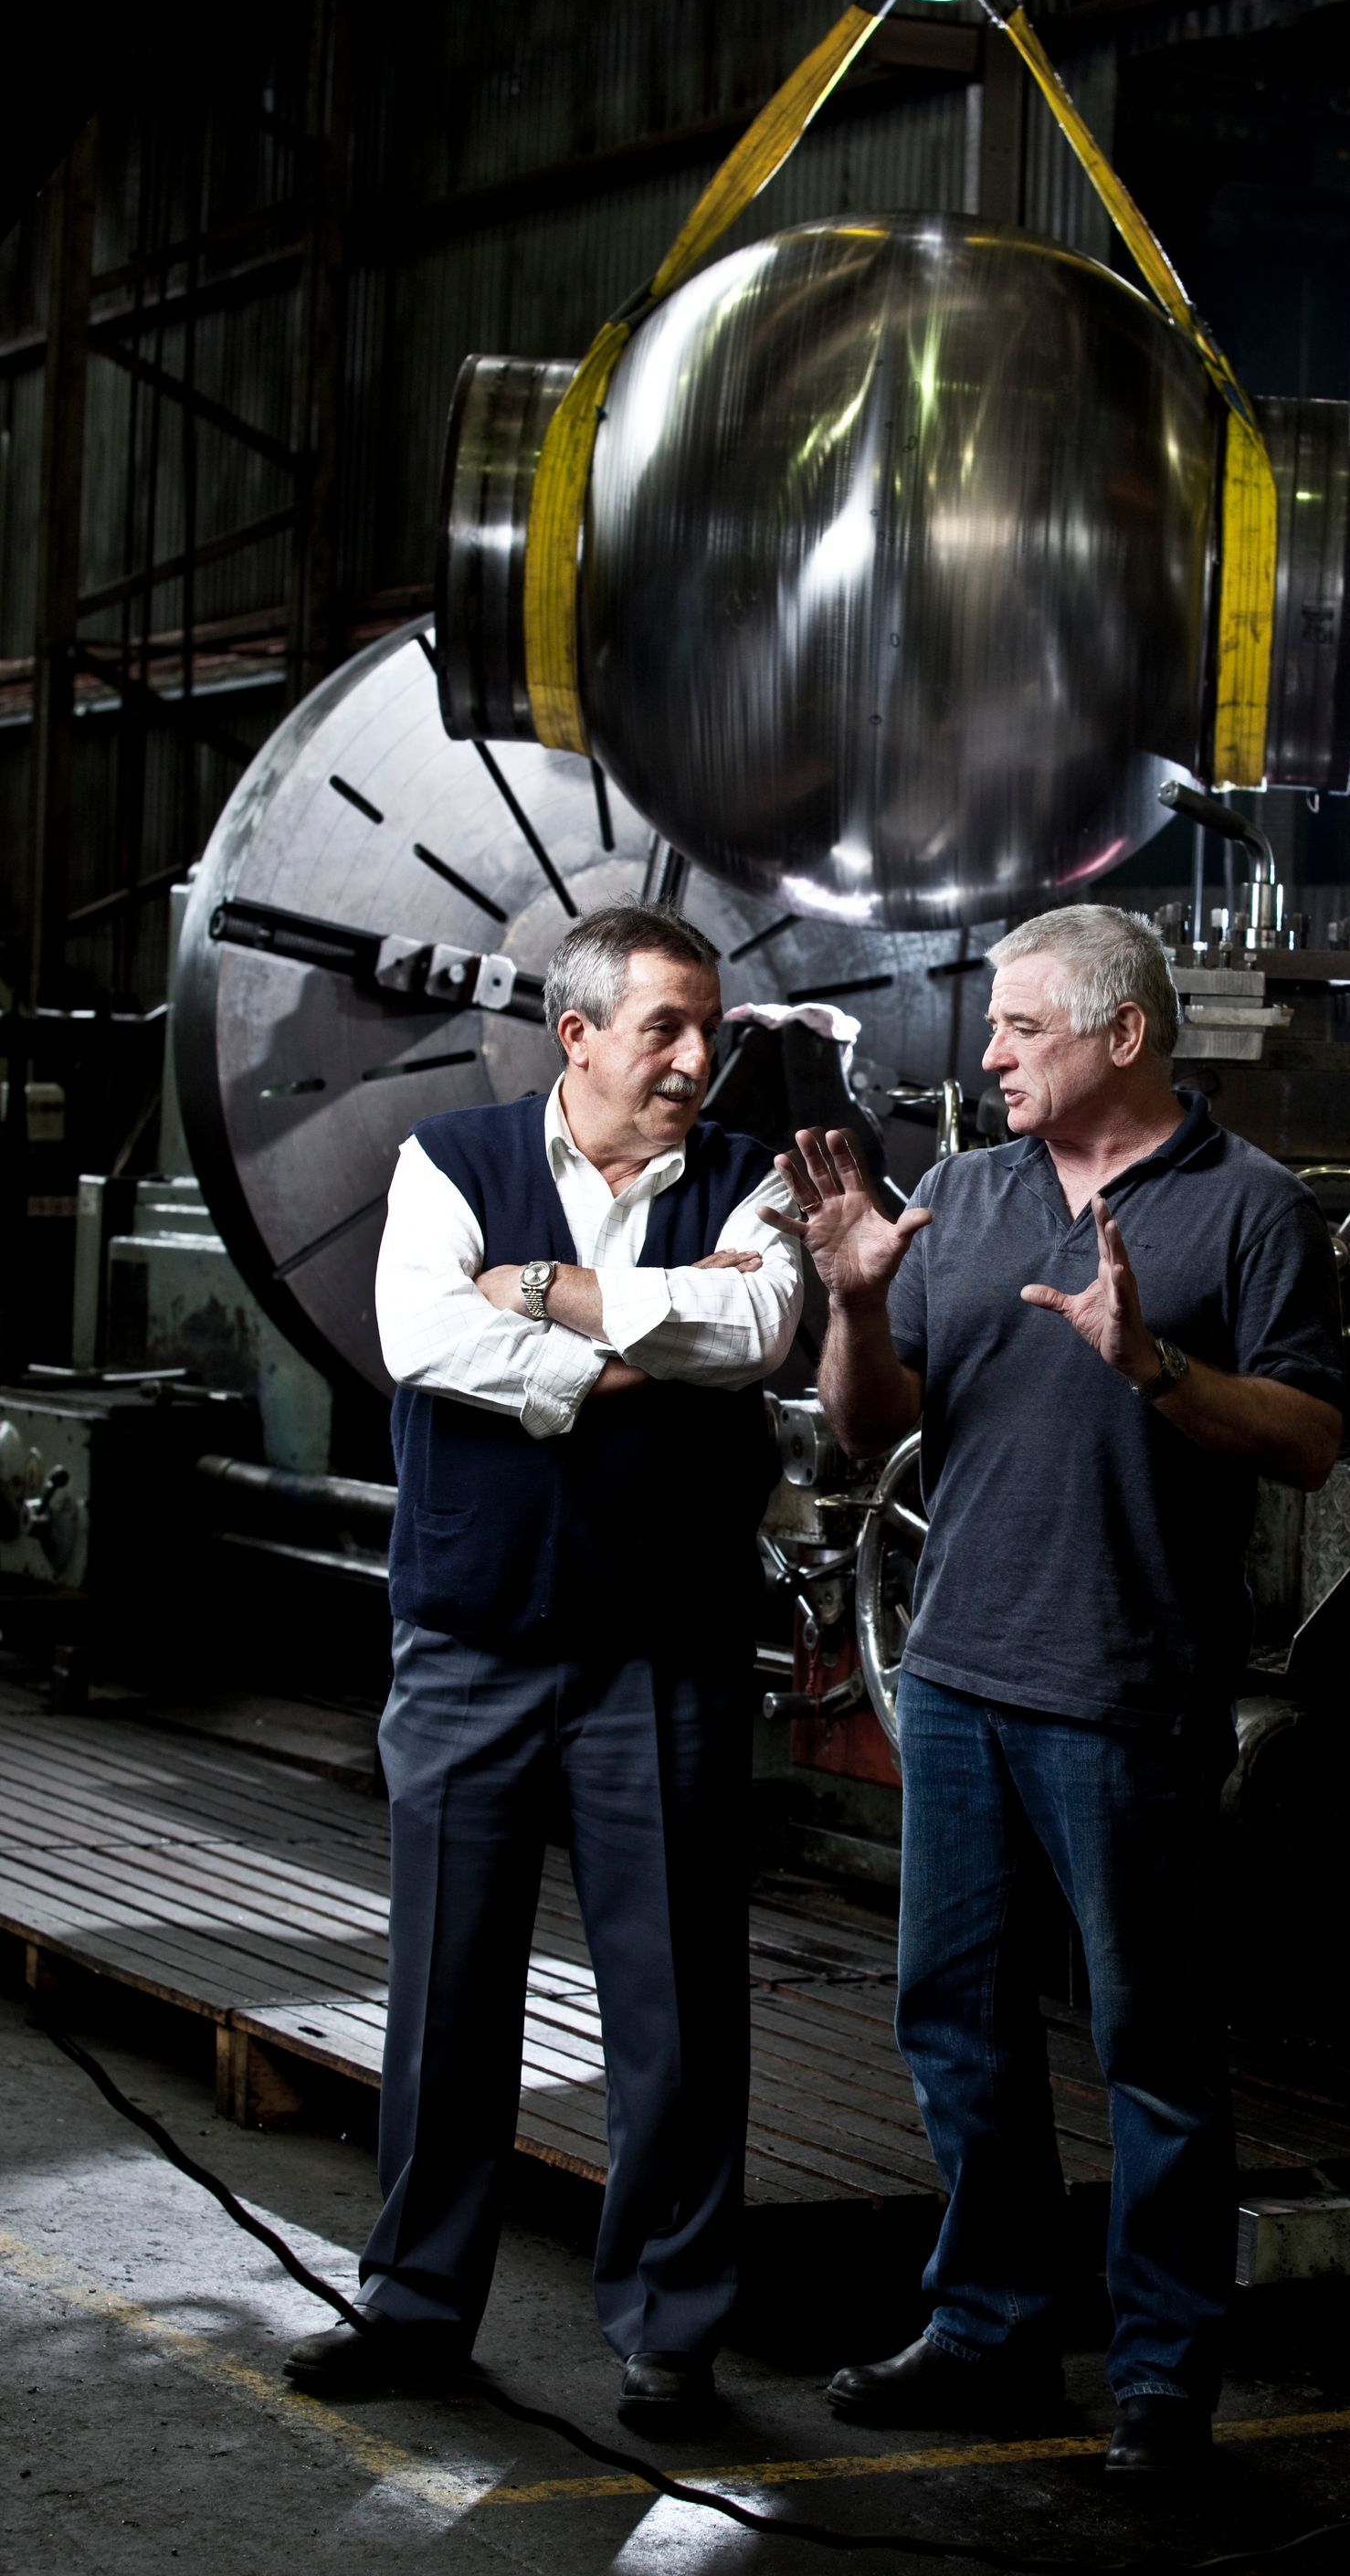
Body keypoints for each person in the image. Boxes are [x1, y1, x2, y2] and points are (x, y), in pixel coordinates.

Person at [768, 903, 1344, 2475]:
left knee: (1150, 2047)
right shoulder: (961, 1192)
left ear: (1123, 1033)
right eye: (994, 1027)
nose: (991, 1054)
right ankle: (990, 2330)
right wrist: (856, 1300)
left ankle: (1162, 2375)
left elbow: (1309, 1441)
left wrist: (1156, 1367)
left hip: (1128, 1688)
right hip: (958, 1674)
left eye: (1022, 1026)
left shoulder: (1252, 1209)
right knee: (954, 2021)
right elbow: (870, 1425)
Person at [284, 903, 802, 2426]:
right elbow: (422, 1341)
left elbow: (756, 1329)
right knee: (446, 1992)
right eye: (664, 1029)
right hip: (472, 1644)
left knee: (677, 2011)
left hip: (669, 1655)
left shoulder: (753, 1177)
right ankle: (416, 2307)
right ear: (576, 1035)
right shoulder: (447, 1161)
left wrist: (542, 1290)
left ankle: (670, 2330)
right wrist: (632, 1359)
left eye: (709, 1029)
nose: (695, 1060)